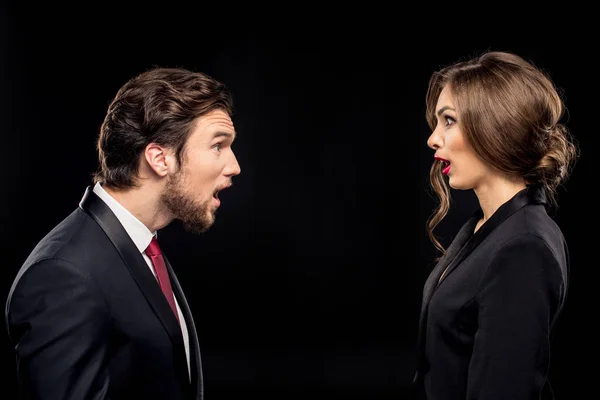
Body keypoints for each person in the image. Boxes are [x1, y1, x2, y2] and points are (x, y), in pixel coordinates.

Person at [5, 67, 241, 399]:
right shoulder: (63, 273)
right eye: (218, 145)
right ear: (159, 158)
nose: (234, 166)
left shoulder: (142, 246)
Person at [412, 51, 578, 399]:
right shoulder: (489, 227)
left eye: (449, 120)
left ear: (494, 126)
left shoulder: (523, 247)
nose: (433, 138)